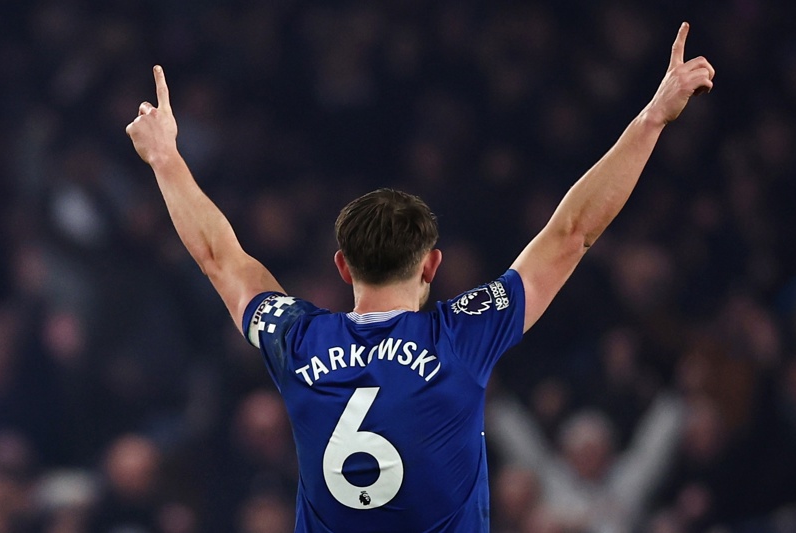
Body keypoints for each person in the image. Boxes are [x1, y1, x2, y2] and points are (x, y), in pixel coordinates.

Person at [126, 22, 714, 533]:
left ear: (342, 266)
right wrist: (653, 118)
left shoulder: (299, 341)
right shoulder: (461, 336)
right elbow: (572, 232)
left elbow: (219, 257)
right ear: (432, 264)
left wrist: (165, 158)